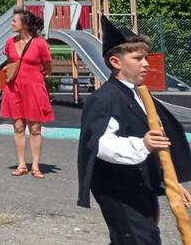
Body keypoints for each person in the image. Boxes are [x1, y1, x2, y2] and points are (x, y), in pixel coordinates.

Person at [77, 18, 191, 244]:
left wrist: (171, 183)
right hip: (118, 189)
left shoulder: (140, 95)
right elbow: (101, 145)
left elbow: (157, 150)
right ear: (115, 62)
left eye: (146, 58)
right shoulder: (103, 99)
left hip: (141, 186)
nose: (146, 64)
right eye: (138, 58)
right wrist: (143, 144)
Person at [0, 8, 53, 178]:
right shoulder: (9, 42)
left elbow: (48, 67)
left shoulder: (40, 43)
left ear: (25, 24)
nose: (12, 24)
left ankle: (35, 166)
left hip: (34, 88)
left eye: (14, 21)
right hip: (14, 88)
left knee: (35, 128)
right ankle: (21, 165)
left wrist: (37, 77)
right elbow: (10, 62)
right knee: (18, 127)